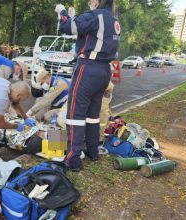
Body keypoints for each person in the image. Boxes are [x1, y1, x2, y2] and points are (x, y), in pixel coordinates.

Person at [56, 0, 120, 171]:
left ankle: (73, 159)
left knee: (75, 114)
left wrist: (62, 13)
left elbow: (66, 27)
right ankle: (92, 151)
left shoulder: (95, 15)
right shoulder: (114, 20)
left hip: (88, 68)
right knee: (93, 114)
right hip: (105, 70)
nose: (88, 2)